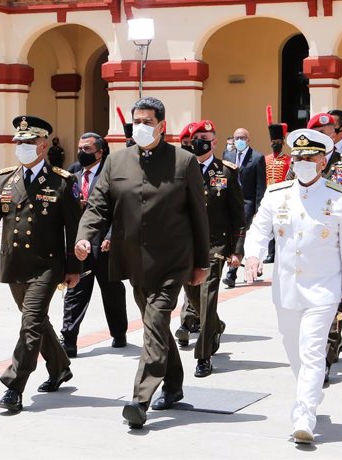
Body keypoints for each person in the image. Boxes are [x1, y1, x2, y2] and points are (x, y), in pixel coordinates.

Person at [74, 97, 210, 429]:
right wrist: (85, 235)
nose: (142, 126)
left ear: (163, 126)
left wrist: (201, 263)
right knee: (157, 327)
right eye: (138, 120)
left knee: (154, 322)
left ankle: (140, 399)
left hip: (172, 262)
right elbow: (97, 205)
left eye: (149, 121)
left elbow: (199, 217)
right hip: (133, 261)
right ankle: (175, 386)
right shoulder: (116, 162)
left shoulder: (184, 162)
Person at [244, 128, 342, 444]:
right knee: (294, 351)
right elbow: (259, 230)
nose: (303, 162)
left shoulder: (341, 198)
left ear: (323, 162)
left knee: (312, 352)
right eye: (298, 158)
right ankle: (309, 396)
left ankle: (304, 417)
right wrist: (253, 256)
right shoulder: (277, 194)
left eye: (310, 158)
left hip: (323, 290)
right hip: (286, 290)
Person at [0, 115, 82, 413]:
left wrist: (74, 268)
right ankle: (60, 366)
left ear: (43, 144)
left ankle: (15, 384)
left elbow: (73, 227)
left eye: (28, 142)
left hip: (47, 264)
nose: (21, 147)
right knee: (35, 321)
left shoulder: (62, 180)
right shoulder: (5, 177)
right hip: (14, 263)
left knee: (31, 321)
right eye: (19, 142)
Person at [288, 113, 342, 379]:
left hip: (339, 248)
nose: (325, 136)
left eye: (328, 131)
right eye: (319, 132)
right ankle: (329, 346)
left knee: (332, 303)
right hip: (309, 248)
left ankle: (322, 360)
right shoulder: (299, 164)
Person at [174, 120, 245, 377]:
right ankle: (214, 325)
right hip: (185, 245)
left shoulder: (226, 171)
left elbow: (238, 214)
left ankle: (203, 356)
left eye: (205, 137)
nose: (199, 141)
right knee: (193, 295)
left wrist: (237, 249)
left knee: (207, 297)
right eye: (196, 137)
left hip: (215, 245)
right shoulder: (180, 169)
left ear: (214, 141)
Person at [60, 133, 128, 357]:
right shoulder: (72, 172)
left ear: (100, 152)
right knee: (76, 290)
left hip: (104, 244)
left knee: (112, 291)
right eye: (80, 148)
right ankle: (69, 338)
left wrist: (111, 235)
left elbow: (119, 209)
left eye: (87, 149)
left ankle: (119, 332)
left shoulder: (112, 173)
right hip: (79, 243)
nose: (82, 153)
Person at [222, 127, 266, 288]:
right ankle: (254, 265)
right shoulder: (227, 155)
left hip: (247, 204)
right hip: (229, 202)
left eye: (242, 138)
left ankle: (231, 274)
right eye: (236, 138)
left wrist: (258, 209)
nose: (239, 141)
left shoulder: (257, 158)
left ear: (248, 139)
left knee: (240, 236)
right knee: (230, 235)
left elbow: (260, 186)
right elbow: (223, 179)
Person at [262, 106, 291, 264]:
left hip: (283, 196)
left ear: (283, 143)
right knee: (269, 226)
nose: (275, 144)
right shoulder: (265, 159)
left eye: (278, 142)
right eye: (273, 142)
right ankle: (270, 252)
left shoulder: (288, 160)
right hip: (268, 195)